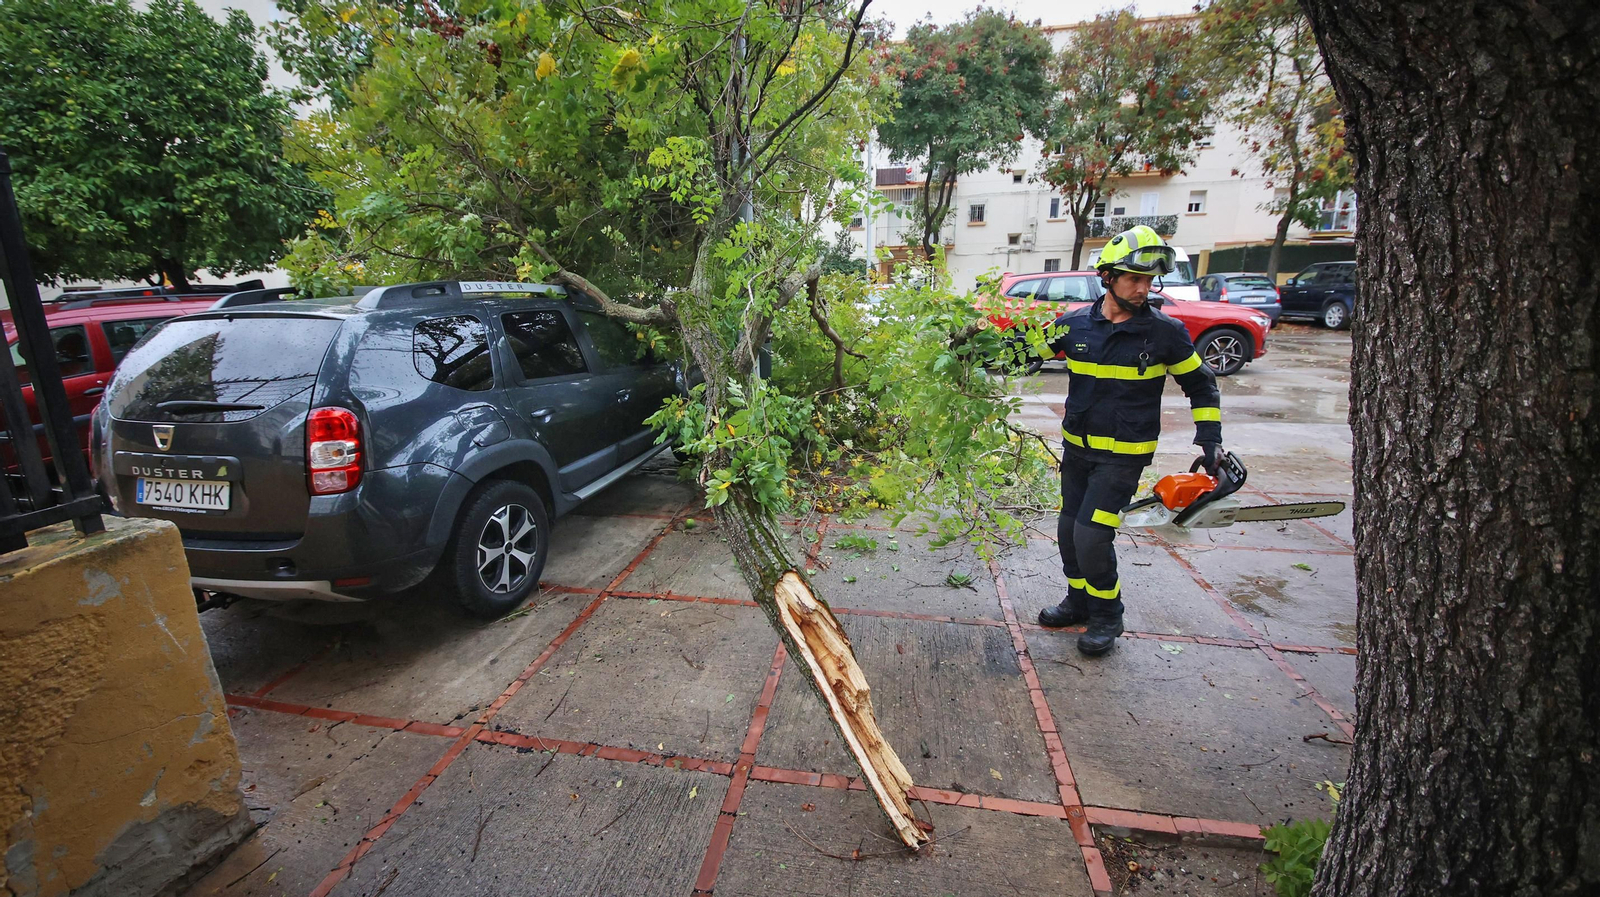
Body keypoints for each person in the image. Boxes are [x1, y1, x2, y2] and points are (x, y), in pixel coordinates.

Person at [1037, 225, 1222, 655]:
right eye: (1134, 279)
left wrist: (1209, 438)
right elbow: (1021, 355)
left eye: (1149, 281)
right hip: (1077, 451)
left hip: (1124, 456)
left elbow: (1202, 384)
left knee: (1092, 537)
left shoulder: (1164, 333)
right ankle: (1080, 602)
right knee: (1069, 532)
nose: (1144, 289)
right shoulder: (1074, 326)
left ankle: (1108, 615)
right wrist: (968, 348)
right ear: (1108, 278)